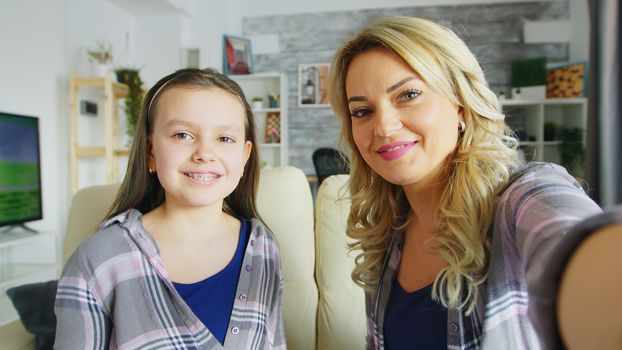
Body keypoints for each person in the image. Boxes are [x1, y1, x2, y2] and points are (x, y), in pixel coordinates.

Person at [328, 16, 622, 350]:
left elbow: (572, 236)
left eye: (408, 94)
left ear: (461, 108)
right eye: (362, 111)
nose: (383, 127)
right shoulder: (387, 230)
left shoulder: (518, 199)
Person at [55, 68, 285, 349]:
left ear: (245, 156)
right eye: (182, 135)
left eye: (224, 139)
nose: (204, 154)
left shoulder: (263, 248)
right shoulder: (96, 260)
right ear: (151, 151)